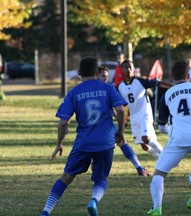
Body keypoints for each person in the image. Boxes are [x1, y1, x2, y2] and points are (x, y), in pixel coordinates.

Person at [40, 56, 127, 216]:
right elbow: (121, 110)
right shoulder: (107, 88)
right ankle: (93, 200)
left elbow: (63, 122)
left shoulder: (74, 93)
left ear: (79, 72)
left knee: (66, 176)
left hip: (84, 143)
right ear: (96, 72)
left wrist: (59, 143)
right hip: (105, 142)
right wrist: (120, 131)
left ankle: (46, 211)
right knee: (100, 178)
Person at [147, 61, 191, 215]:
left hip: (178, 138)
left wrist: (172, 132)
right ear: (188, 76)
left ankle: (156, 208)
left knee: (159, 173)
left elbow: (161, 125)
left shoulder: (167, 94)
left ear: (172, 76)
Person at [97, 66, 150, 176]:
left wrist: (120, 124)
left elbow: (114, 110)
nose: (105, 79)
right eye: (103, 76)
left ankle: (139, 168)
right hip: (100, 126)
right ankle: (139, 168)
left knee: (121, 142)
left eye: (107, 76)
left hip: (105, 125)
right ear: (96, 75)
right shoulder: (108, 90)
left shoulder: (102, 88)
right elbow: (119, 109)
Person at [118, 60, 171, 158]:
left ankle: (166, 157)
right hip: (133, 118)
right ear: (122, 69)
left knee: (146, 138)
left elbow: (159, 83)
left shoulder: (140, 81)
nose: (128, 69)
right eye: (126, 67)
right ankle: (162, 159)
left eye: (130, 67)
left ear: (133, 68)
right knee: (144, 146)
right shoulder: (120, 86)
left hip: (144, 114)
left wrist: (173, 87)